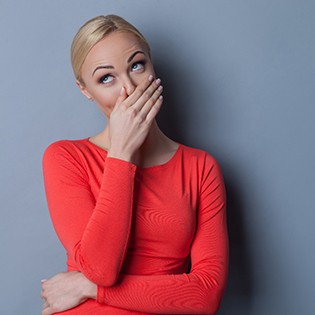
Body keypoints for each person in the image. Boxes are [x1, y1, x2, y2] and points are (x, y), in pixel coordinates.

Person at [41, 14, 229, 315]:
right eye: (106, 78)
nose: (128, 88)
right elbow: (101, 269)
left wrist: (88, 288)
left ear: (152, 67)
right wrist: (121, 154)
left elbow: (205, 295)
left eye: (136, 65)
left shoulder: (200, 167)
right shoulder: (66, 158)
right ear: (85, 90)